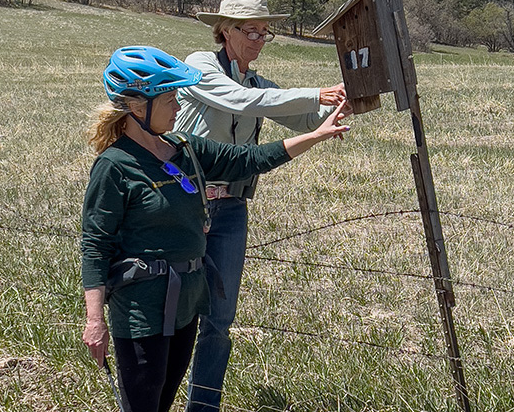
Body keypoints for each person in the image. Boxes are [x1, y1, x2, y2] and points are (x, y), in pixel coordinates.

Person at [81, 45, 349, 412]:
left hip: (186, 302)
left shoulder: (184, 147)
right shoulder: (115, 166)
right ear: (137, 107)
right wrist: (95, 321)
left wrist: (316, 135)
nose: (178, 107)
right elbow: (96, 246)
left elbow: (248, 160)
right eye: (170, 99)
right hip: (142, 309)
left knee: (164, 399)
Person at [173, 0, 349, 412]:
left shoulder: (258, 82)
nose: (256, 40)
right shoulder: (199, 66)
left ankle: (204, 406)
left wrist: (347, 100)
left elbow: (304, 117)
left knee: (220, 318)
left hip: (232, 207)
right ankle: (152, 396)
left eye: (264, 32)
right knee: (173, 313)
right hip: (187, 205)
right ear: (224, 30)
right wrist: (314, 94)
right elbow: (239, 101)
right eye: (248, 30)